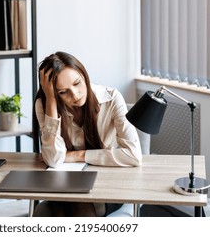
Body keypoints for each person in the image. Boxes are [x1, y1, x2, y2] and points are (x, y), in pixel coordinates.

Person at [33, 51, 142, 217]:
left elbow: (134, 155)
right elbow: (54, 160)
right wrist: (52, 101)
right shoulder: (45, 105)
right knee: (63, 208)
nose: (75, 95)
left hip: (107, 184)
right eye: (62, 92)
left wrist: (76, 155)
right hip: (65, 184)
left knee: (77, 207)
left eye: (77, 83)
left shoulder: (111, 98)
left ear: (84, 74)